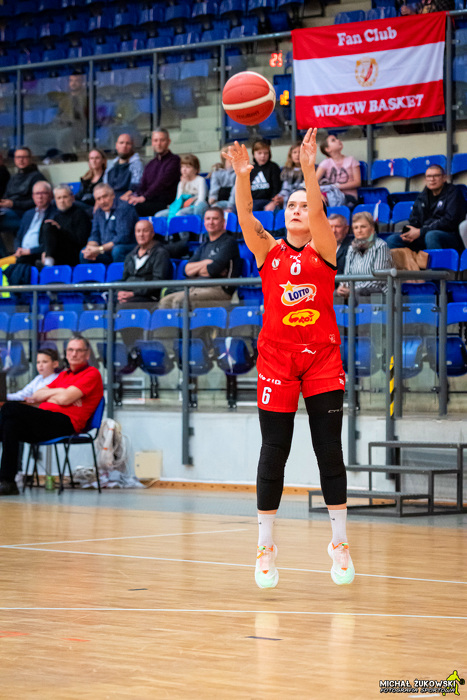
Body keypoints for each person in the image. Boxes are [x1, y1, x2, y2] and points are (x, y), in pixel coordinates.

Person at [224, 130, 355, 589]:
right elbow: (244, 215)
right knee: (273, 452)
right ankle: (265, 545)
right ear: (282, 215)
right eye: (291, 205)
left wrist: (307, 169)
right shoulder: (269, 250)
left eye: (304, 204)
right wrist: (243, 176)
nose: (298, 209)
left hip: (322, 359)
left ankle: (339, 542)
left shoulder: (325, 249)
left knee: (329, 450)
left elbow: (318, 212)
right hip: (277, 361)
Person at [0, 334, 103, 496]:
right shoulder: (64, 375)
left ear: (87, 354)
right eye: (70, 350)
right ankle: (8, 482)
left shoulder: (92, 373)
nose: (74, 354)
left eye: (79, 350)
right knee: (10, 425)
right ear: (66, 353)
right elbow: (37, 394)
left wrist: (57, 395)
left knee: (9, 408)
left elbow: (64, 399)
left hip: (66, 423)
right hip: (46, 421)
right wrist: (62, 392)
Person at [159, 206, 241, 309]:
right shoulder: (204, 245)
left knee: (179, 301)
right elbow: (186, 270)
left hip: (219, 290)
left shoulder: (229, 243)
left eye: (215, 219)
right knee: (165, 301)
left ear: (223, 222)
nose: (211, 222)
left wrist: (198, 270)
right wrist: (207, 262)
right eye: (208, 219)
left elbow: (213, 270)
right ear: (204, 222)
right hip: (197, 288)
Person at [385, 165, 467, 254]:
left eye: (436, 175)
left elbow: (449, 221)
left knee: (432, 236)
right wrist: (409, 231)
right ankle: (407, 263)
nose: (432, 179)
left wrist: (421, 231)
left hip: (449, 235)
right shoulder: (422, 196)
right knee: (392, 239)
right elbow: (415, 218)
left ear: (444, 178)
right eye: (429, 176)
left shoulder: (454, 193)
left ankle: (438, 263)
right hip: (424, 234)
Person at [121, 128, 180, 216]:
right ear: (152, 143)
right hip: (148, 201)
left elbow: (161, 184)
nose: (158, 144)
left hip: (165, 203)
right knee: (123, 205)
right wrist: (133, 196)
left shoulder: (174, 161)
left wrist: (144, 197)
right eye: (155, 140)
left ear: (168, 142)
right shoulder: (150, 164)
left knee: (132, 209)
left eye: (162, 140)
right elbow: (143, 185)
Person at [27, 73, 88, 157]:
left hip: (75, 130)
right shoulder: (64, 98)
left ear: (82, 83)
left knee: (64, 135)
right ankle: (44, 159)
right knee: (30, 137)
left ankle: (64, 159)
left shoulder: (86, 98)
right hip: (57, 129)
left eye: (76, 81)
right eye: (71, 81)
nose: (73, 83)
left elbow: (81, 118)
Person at [0, 147, 48, 250]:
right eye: (18, 157)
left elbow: (39, 201)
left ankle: (4, 257)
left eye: (24, 157)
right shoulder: (14, 178)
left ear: (30, 158)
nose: (21, 160)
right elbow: (6, 196)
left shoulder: (37, 177)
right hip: (7, 212)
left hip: (24, 215)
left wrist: (13, 204)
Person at [336, 212, 392, 299]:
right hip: (354, 291)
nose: (359, 230)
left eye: (363, 227)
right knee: (332, 295)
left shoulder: (381, 246)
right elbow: (346, 275)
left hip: (377, 292)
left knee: (359, 293)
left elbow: (378, 279)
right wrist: (342, 287)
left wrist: (353, 290)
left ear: (372, 229)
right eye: (356, 227)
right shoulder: (351, 248)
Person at [117, 219, 173, 305]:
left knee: (125, 305)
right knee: (110, 299)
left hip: (149, 296)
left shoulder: (161, 254)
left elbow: (158, 281)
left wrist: (134, 294)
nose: (141, 235)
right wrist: (120, 292)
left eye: (145, 231)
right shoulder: (130, 255)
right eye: (138, 231)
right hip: (130, 293)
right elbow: (125, 279)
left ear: (152, 233)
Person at [80, 183, 138, 264]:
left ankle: (122, 272)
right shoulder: (98, 212)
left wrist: (99, 249)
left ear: (113, 195)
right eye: (98, 199)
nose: (102, 201)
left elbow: (122, 238)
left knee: (117, 251)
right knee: (84, 253)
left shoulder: (124, 208)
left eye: (105, 196)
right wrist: (90, 248)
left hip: (126, 247)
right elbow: (95, 234)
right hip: (105, 249)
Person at [42, 184, 91, 267]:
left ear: (72, 198)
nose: (62, 201)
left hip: (74, 252)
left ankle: (49, 262)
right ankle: (48, 258)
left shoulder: (80, 214)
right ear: (55, 200)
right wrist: (45, 252)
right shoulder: (55, 216)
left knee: (50, 227)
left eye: (65, 197)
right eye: (59, 198)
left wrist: (60, 229)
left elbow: (81, 241)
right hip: (57, 252)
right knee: (48, 225)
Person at [13, 181, 55, 266]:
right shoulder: (28, 214)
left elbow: (50, 242)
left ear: (50, 195)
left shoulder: (54, 214)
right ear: (33, 196)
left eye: (43, 193)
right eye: (37, 193)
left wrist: (30, 251)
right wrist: (18, 249)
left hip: (38, 255)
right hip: (22, 254)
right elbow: (18, 237)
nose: (40, 197)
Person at [233, 139, 281, 212]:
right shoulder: (250, 169)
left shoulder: (273, 167)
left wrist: (273, 202)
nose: (263, 156)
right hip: (252, 201)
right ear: (254, 154)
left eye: (266, 153)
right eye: (259, 153)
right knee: (235, 208)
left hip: (267, 200)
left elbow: (276, 188)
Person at [155, 154, 208, 220]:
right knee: (158, 215)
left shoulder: (200, 180)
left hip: (195, 206)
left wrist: (189, 202)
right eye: (182, 167)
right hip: (182, 207)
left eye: (188, 167)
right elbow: (178, 199)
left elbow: (201, 199)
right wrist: (183, 184)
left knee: (179, 214)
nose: (184, 169)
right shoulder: (180, 183)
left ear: (196, 169)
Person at [316, 135, 361, 208]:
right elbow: (313, 181)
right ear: (327, 149)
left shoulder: (351, 160)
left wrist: (336, 186)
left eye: (337, 139)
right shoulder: (325, 163)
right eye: (333, 140)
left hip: (349, 197)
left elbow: (357, 182)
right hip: (331, 196)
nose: (338, 140)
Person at [266, 141, 303, 211]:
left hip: (300, 197)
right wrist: (279, 197)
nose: (297, 155)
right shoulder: (286, 170)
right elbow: (285, 188)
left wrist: (285, 198)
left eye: (300, 152)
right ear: (290, 155)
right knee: (269, 208)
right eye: (294, 152)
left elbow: (302, 189)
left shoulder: (308, 170)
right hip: (286, 196)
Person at [104, 134, 144, 199]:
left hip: (127, 200)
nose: (124, 146)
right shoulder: (111, 165)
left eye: (128, 143)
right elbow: (105, 186)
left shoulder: (137, 164)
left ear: (132, 146)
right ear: (116, 145)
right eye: (121, 143)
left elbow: (135, 187)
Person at [75, 149, 107, 215]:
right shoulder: (85, 178)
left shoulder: (106, 177)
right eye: (91, 158)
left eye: (97, 158)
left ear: (103, 161)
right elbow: (79, 195)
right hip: (82, 205)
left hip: (94, 207)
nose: (94, 161)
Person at [208, 145, 236, 211]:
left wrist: (230, 206)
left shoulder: (239, 172)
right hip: (220, 201)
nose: (234, 155)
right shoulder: (217, 171)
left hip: (234, 202)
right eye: (232, 153)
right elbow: (214, 189)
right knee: (213, 209)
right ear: (224, 156)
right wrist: (212, 199)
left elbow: (236, 190)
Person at [328, 213, 352, 278]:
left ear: (346, 229)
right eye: (330, 227)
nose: (333, 231)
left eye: (337, 226)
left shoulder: (352, 247)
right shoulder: (321, 247)